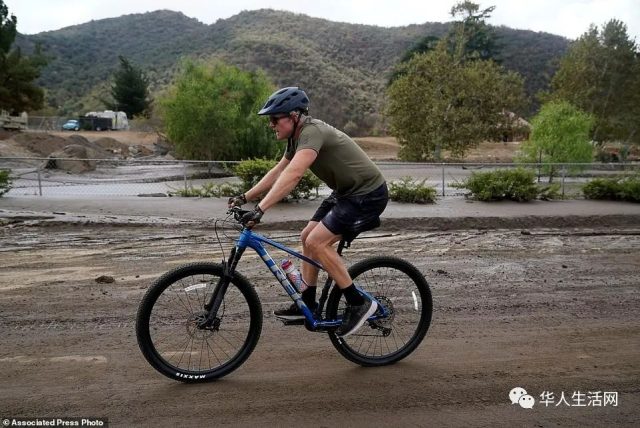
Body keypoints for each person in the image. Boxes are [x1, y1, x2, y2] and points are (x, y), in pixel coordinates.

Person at [228, 87, 388, 337]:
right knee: (307, 238)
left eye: (274, 119)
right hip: (346, 193)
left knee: (318, 242)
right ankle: (309, 302)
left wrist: (260, 210)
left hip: (367, 194)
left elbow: (294, 175)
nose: (271, 125)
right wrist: (245, 197)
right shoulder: (297, 137)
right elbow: (279, 171)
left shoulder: (312, 132)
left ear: (293, 116)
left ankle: (359, 303)